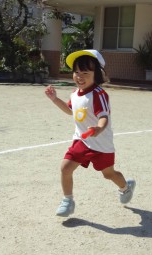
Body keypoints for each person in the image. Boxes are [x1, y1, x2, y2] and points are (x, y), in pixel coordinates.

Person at [44, 49, 136, 217]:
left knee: (108, 174)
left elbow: (103, 117)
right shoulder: (75, 94)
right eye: (76, 72)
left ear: (97, 75)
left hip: (101, 144)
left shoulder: (99, 94)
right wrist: (55, 99)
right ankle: (68, 201)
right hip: (82, 140)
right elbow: (70, 110)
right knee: (65, 168)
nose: (79, 76)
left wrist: (98, 129)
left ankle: (125, 188)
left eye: (85, 72)